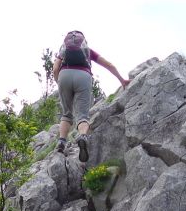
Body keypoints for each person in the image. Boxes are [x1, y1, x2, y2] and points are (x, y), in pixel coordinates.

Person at [52, 31, 129, 162]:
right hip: (83, 76)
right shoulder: (88, 52)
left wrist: (59, 81)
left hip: (64, 74)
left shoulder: (63, 51)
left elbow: (55, 68)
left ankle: (61, 143)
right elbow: (109, 65)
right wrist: (122, 80)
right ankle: (82, 136)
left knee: (66, 114)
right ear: (83, 42)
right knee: (82, 115)